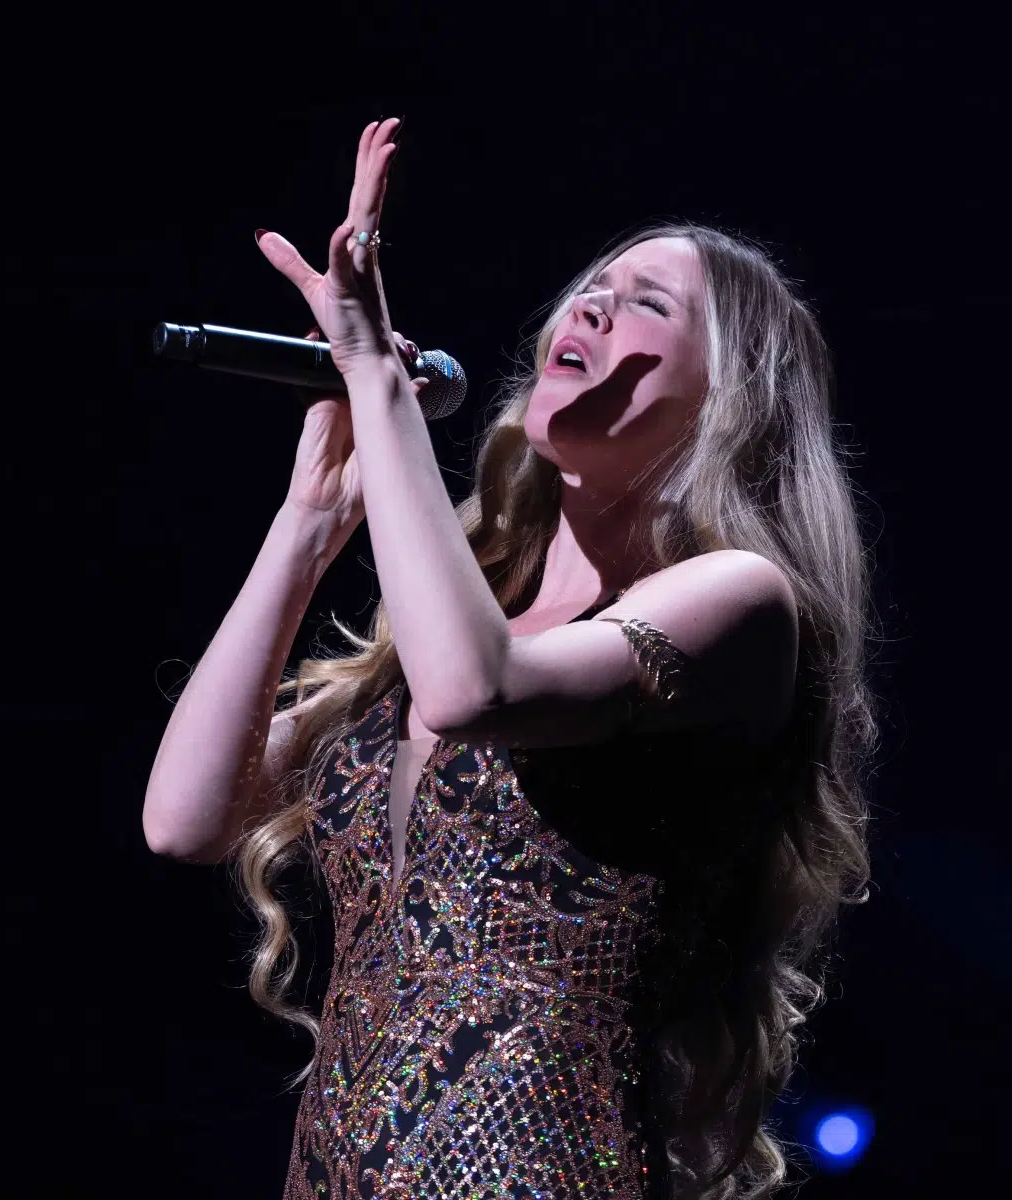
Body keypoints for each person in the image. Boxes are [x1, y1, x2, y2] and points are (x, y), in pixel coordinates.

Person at [143, 118, 877, 1199]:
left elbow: (475, 691)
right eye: (592, 287)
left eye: (647, 305)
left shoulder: (741, 601)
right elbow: (188, 818)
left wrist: (378, 384)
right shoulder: (468, 612)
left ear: (729, 402)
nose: (589, 306)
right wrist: (305, 526)